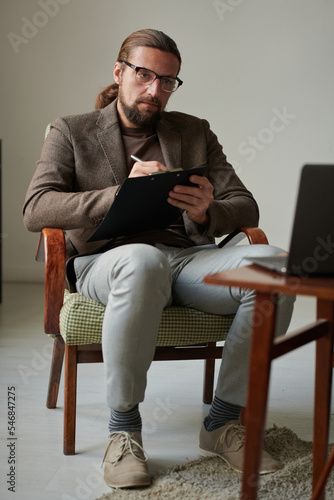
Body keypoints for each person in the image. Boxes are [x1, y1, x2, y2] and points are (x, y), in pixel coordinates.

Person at [23, 29, 295, 489]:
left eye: (167, 81)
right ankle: (123, 430)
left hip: (188, 259)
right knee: (142, 261)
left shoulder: (193, 131)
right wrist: (118, 195)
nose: (155, 90)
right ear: (119, 71)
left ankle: (224, 421)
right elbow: (37, 208)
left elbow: (245, 205)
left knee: (276, 266)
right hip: (106, 261)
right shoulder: (71, 131)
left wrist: (208, 210)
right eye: (144, 75)